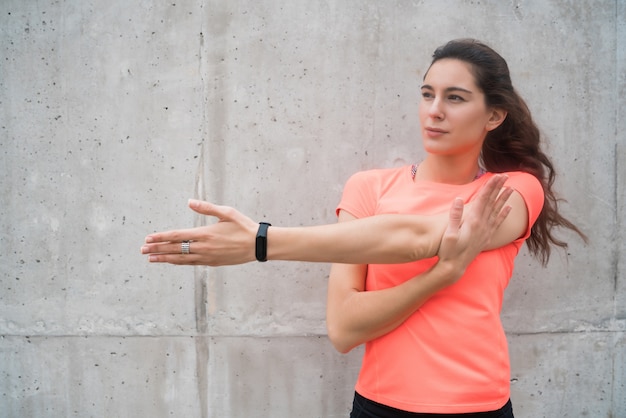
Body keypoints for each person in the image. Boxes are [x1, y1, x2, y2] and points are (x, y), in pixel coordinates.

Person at [141, 39, 585, 417]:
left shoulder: (514, 191)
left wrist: (263, 241)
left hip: (480, 405)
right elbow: (344, 329)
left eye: (455, 97)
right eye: (427, 94)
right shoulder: (369, 188)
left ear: (494, 116)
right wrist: (440, 276)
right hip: (379, 405)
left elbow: (416, 237)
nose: (434, 111)